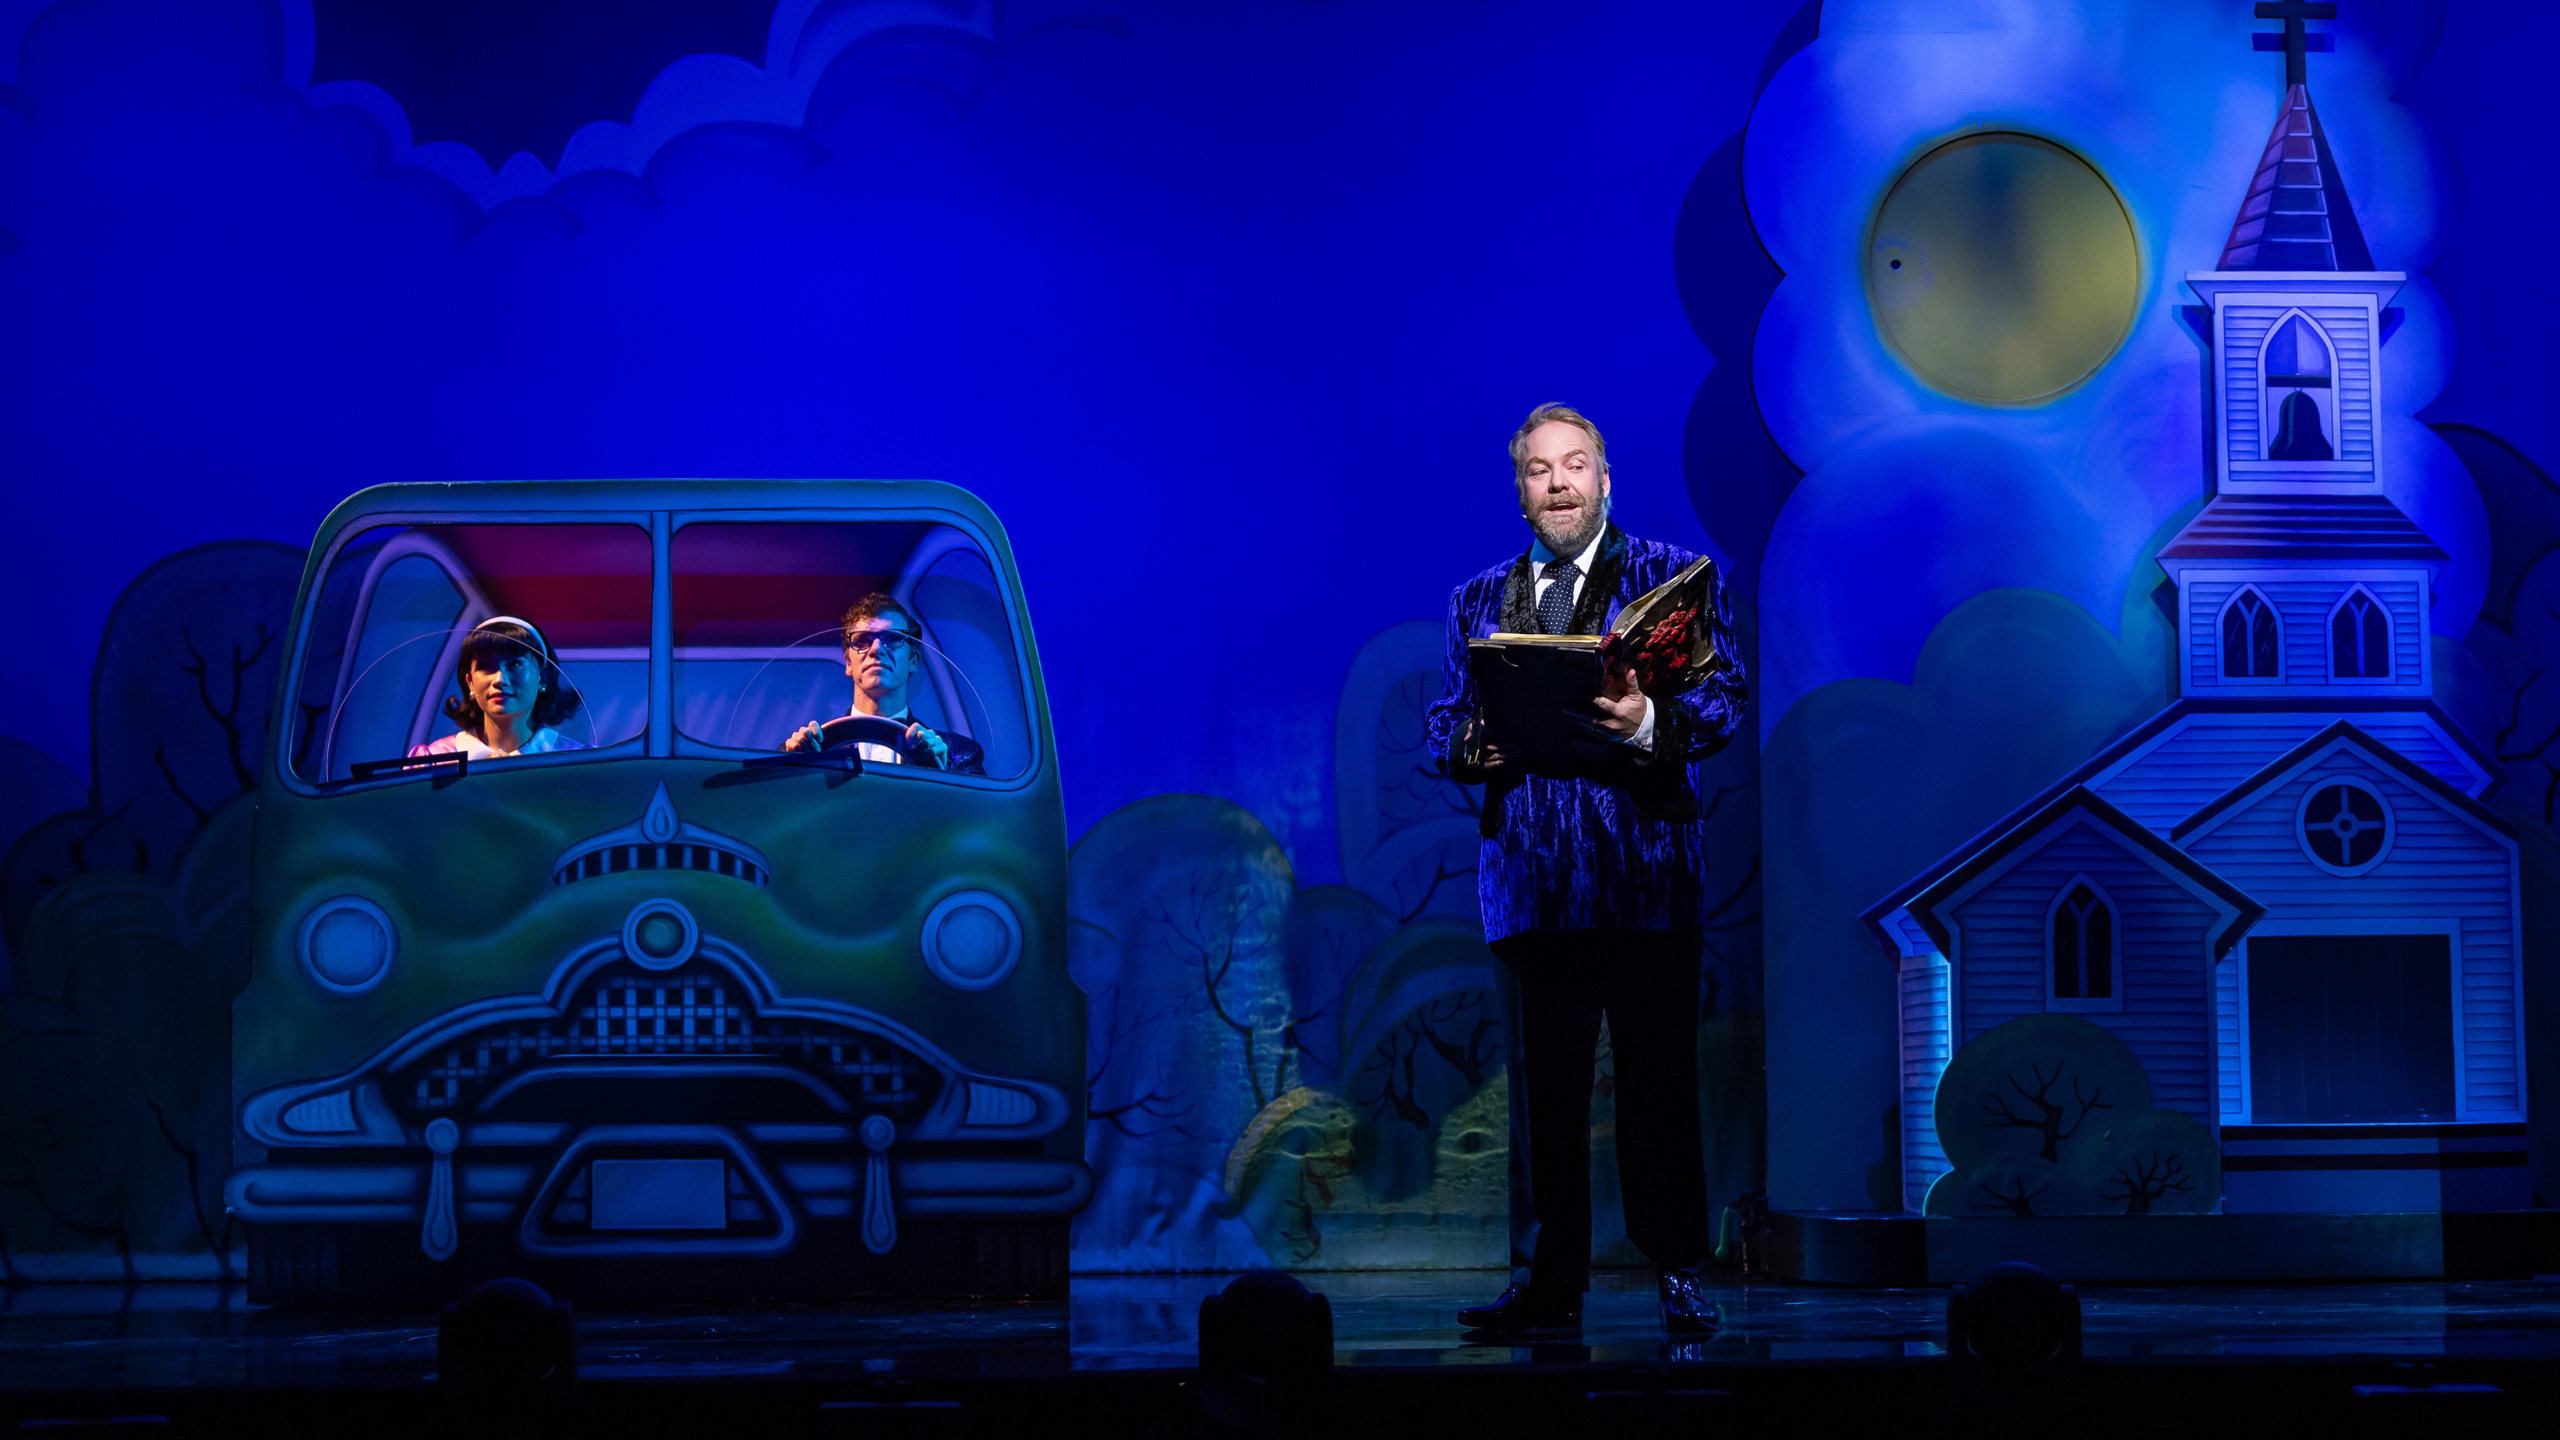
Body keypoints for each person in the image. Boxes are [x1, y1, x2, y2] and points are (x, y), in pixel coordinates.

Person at [1425, 404, 1748, 1336]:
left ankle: (1677, 1269)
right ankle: (1548, 1281)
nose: (1558, 483)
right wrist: (1473, 746)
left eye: (1574, 465)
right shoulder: (1477, 600)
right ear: (1520, 490)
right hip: (1534, 883)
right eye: (1539, 469)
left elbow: (1724, 699)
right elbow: (1445, 721)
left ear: (1605, 480)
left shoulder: (1670, 579)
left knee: (1659, 1086)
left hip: (1647, 876)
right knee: (1546, 1099)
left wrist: (1648, 723)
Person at [782, 594, 986, 776]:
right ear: (848, 662)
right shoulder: (804, 751)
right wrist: (794, 770)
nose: (876, 649)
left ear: (913, 660)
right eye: (862, 640)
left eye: (892, 638)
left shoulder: (958, 755)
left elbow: (977, 807)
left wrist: (944, 774)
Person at [410, 616, 590, 761]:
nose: (499, 679)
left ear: (542, 677)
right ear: (470, 682)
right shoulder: (436, 759)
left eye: (514, 664)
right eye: (486, 666)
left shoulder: (576, 763)